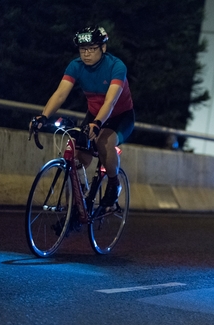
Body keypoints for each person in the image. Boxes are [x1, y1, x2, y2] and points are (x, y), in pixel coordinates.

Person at [30, 26, 135, 207]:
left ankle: (113, 183)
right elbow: (60, 94)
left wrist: (97, 123)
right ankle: (76, 208)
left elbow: (110, 101)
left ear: (103, 48)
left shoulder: (116, 66)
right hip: (94, 115)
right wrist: (43, 117)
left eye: (92, 49)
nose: (86, 54)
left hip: (120, 116)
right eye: (82, 49)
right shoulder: (76, 66)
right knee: (76, 159)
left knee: (104, 142)